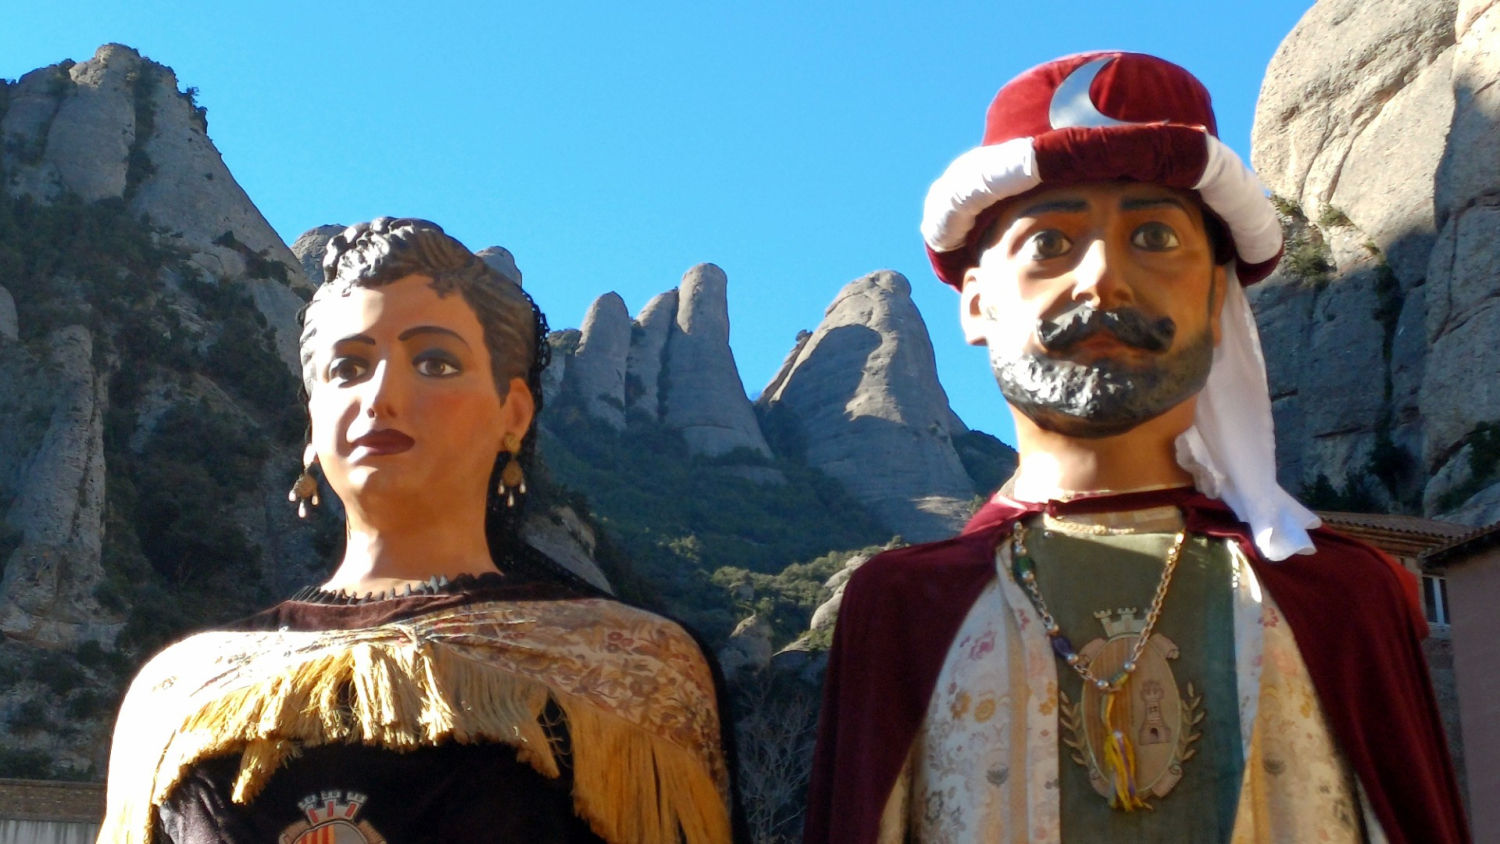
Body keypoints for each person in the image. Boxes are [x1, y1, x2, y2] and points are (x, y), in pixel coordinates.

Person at [804, 53, 1467, 843]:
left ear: (1216, 297)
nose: (1102, 279)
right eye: (1050, 242)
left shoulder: (1342, 599)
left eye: (1153, 236)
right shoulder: (902, 608)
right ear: (976, 303)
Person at [99, 218, 734, 844]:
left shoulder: (636, 669)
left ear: (513, 414)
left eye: (435, 362)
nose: (381, 396)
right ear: (312, 421)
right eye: (347, 368)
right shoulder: (179, 687)